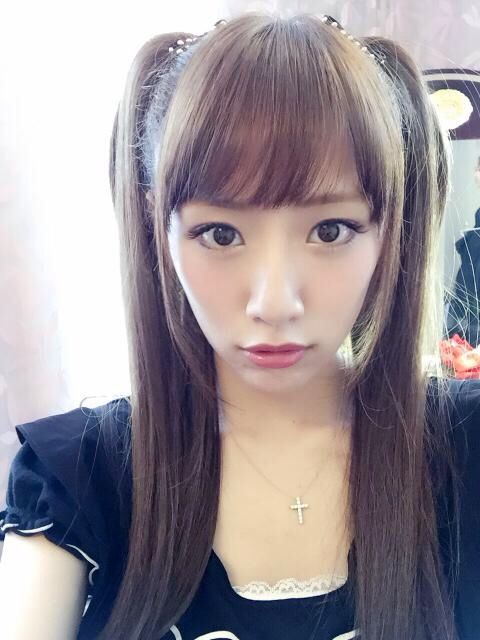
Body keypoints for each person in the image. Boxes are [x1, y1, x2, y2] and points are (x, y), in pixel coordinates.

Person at [0, 11, 479, 640]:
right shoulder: (77, 477)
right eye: (220, 234)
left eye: (330, 230)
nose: (274, 303)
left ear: (389, 229)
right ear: (158, 229)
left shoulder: (466, 446)